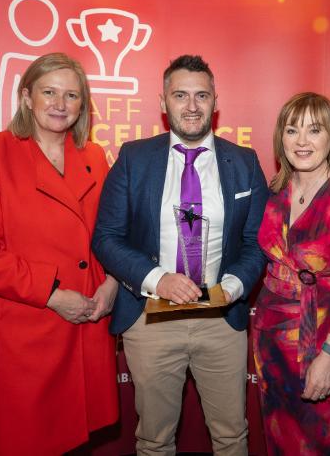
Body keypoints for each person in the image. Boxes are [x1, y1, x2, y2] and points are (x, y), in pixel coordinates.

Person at [92, 54, 267, 456]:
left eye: (201, 95)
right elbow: (106, 237)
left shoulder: (244, 162)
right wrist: (157, 278)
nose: (191, 106)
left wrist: (234, 286)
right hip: (151, 319)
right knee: (154, 440)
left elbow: (257, 241)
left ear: (215, 101)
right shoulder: (133, 158)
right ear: (162, 102)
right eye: (181, 95)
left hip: (221, 321)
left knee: (231, 436)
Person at [0, 53, 119, 455]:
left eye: (72, 95)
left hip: (83, 323)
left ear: (83, 105)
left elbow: (112, 234)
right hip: (20, 332)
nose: (60, 104)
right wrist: (53, 295)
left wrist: (113, 282)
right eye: (49, 92)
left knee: (71, 440)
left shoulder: (94, 157)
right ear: (27, 96)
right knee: (19, 441)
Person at [253, 92, 330, 455]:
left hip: (323, 340)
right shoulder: (275, 194)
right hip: (271, 341)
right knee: (277, 442)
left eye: (314, 130)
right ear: (281, 138)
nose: (302, 141)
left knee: (314, 447)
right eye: (292, 130)